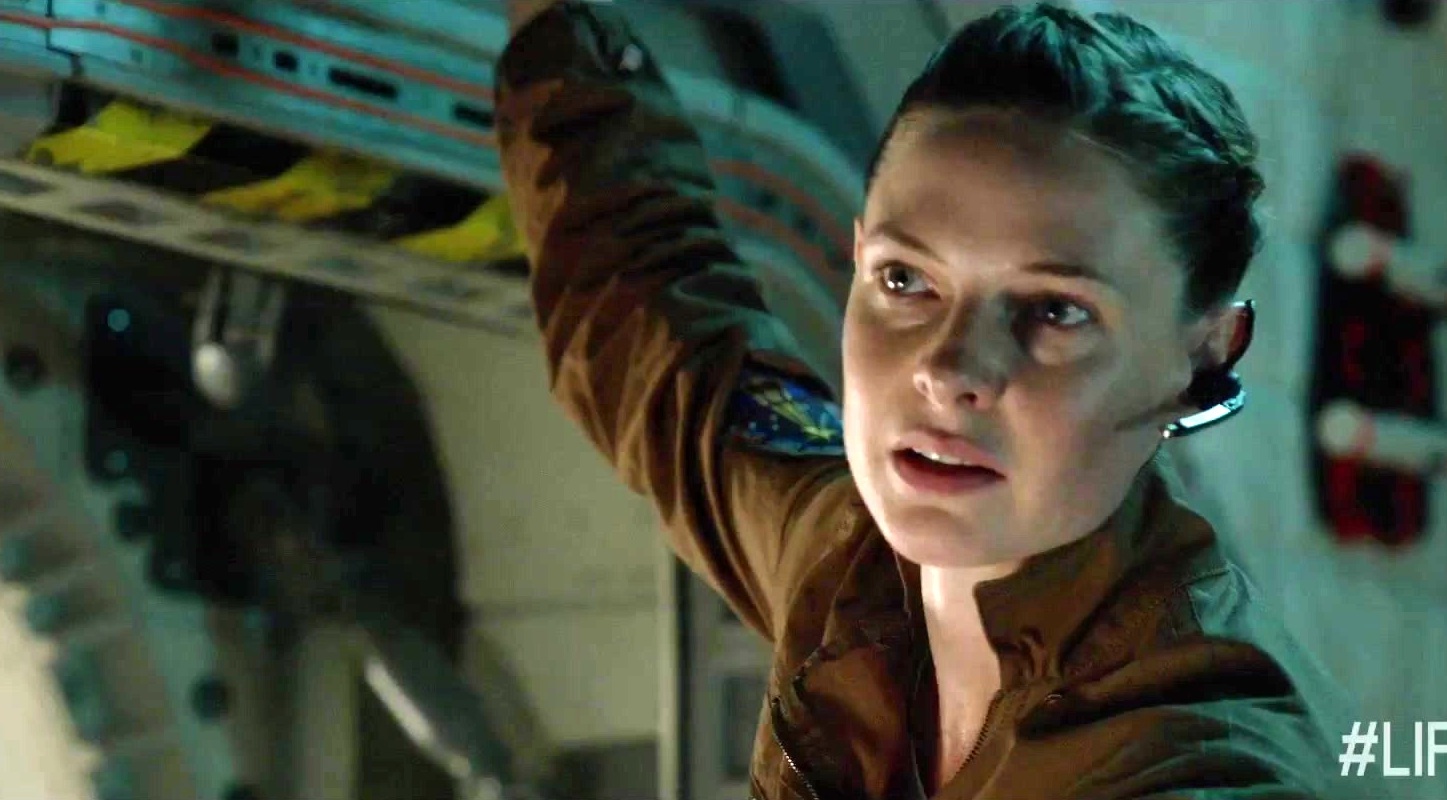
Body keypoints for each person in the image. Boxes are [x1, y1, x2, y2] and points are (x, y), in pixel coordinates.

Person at [496, 1, 1342, 797]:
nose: (947, 369)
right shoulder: (847, 565)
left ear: (1201, 354)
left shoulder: (1201, 758)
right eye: (904, 280)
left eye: (1055, 311)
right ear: (857, 256)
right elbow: (649, 324)